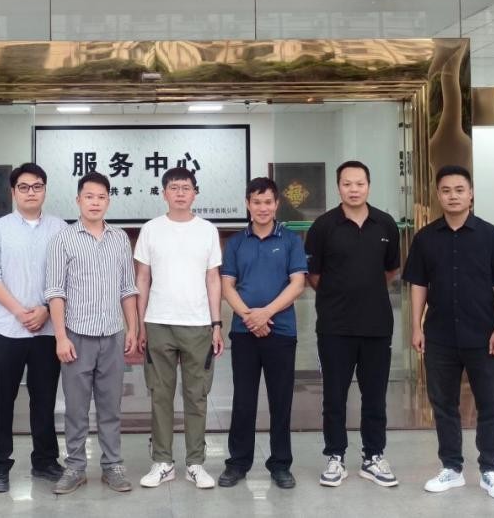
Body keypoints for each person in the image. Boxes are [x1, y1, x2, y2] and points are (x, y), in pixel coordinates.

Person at [403, 164, 494, 501]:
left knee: (489, 405)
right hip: (439, 336)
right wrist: (416, 326)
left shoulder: (492, 236)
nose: (453, 196)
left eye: (459, 190)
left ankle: (489, 470)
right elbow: (418, 284)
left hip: (483, 336)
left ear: (471, 194)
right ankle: (451, 468)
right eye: (446, 191)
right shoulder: (425, 238)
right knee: (443, 405)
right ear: (438, 195)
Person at [305, 161, 401, 488]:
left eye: (359, 183)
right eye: (347, 184)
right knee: (334, 396)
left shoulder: (385, 224)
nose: (354, 189)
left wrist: (366, 290)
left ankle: (373, 456)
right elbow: (314, 275)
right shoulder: (323, 226)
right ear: (339, 187)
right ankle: (335, 456)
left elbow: (390, 270)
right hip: (335, 326)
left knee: (375, 396)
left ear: (368, 186)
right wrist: (339, 294)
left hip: (377, 326)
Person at [45, 171, 139, 496]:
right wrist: (60, 337)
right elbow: (55, 292)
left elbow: (128, 288)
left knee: (111, 406)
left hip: (112, 334)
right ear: (78, 200)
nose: (95, 202)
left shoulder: (120, 239)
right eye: (89, 196)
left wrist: (132, 328)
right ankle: (75, 467)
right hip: (76, 336)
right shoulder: (63, 239)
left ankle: (113, 466)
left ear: (108, 201)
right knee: (76, 408)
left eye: (101, 197)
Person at [0, 163, 67, 492]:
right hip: (7, 329)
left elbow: (67, 276)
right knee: (2, 398)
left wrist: (44, 310)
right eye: (24, 187)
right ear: (13, 191)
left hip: (47, 329)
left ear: (45, 190)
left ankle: (44, 460)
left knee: (44, 398)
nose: (31, 192)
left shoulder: (61, 228)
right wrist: (19, 311)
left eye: (37, 186)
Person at [135, 166, 224, 490]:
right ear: (164, 193)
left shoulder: (207, 231)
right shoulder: (151, 230)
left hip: (198, 325)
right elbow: (142, 278)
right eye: (174, 188)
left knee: (196, 396)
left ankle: (195, 463)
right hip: (158, 322)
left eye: (186, 188)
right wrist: (140, 324)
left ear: (195, 193)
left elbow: (213, 279)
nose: (180, 193)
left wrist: (216, 323)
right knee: (160, 395)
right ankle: (163, 462)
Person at [218, 177, 307, 490]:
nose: (263, 208)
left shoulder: (291, 240)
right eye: (256, 202)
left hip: (280, 331)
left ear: (276, 204)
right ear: (247, 204)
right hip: (244, 333)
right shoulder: (236, 243)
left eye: (268, 202)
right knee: (243, 401)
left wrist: (265, 314)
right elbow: (227, 286)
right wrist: (249, 316)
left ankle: (280, 464)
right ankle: (238, 463)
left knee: (280, 401)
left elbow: (298, 283)